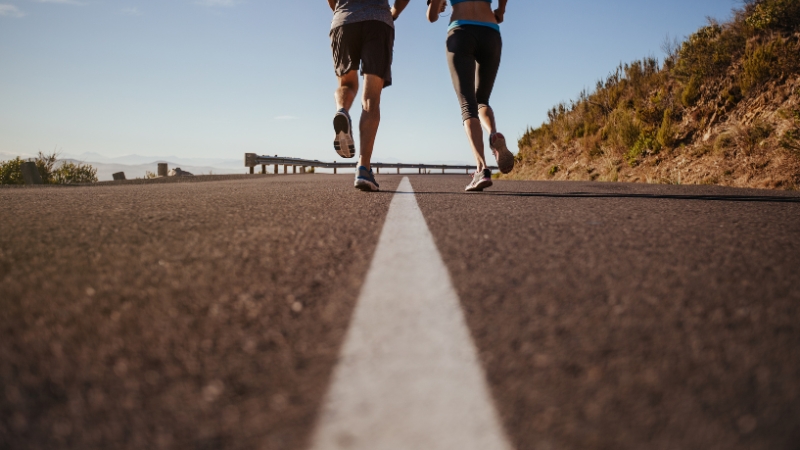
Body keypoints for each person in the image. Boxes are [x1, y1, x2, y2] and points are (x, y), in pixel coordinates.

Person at [427, 0, 514, 192]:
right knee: (482, 99)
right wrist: (501, 10)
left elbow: (432, 17)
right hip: (490, 32)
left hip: (461, 30)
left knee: (468, 103)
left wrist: (437, 6)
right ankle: (493, 134)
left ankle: (481, 168)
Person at [329, 0, 411, 192]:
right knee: (370, 100)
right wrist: (394, 12)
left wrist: (342, 11)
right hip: (377, 20)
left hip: (344, 19)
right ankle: (363, 168)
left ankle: (342, 110)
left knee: (346, 84)